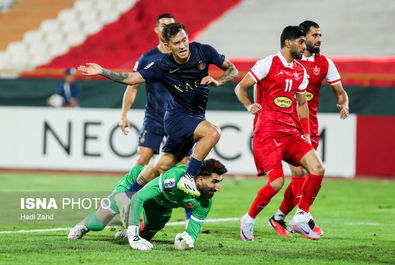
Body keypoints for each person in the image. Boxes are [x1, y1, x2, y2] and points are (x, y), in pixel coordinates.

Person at [78, 22, 238, 198]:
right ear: (168, 46)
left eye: (184, 40)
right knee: (213, 133)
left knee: (159, 166)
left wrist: (219, 81)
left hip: (195, 116)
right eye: (177, 43)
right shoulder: (162, 65)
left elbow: (232, 70)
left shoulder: (203, 51)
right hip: (177, 117)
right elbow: (132, 79)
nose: (183, 46)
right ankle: (189, 178)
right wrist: (102, 70)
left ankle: (126, 198)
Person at [235, 25, 325, 241]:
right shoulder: (267, 64)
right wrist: (249, 106)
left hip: (292, 132)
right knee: (277, 183)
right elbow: (240, 87)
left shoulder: (300, 70)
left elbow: (302, 104)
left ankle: (301, 216)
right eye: (301, 42)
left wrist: (305, 132)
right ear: (288, 43)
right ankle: (248, 218)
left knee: (317, 168)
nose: (305, 46)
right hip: (268, 132)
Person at [268, 20, 349, 238]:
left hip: (310, 125)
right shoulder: (285, 61)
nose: (319, 39)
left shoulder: (325, 63)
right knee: (301, 171)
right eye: (314, 36)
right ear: (302, 39)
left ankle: (280, 217)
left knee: (307, 173)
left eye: (320, 35)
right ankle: (303, 217)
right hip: (287, 125)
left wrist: (345, 102)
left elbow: (340, 91)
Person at [68, 159, 227, 251]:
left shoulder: (206, 200)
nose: (218, 188)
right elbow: (138, 197)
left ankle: (129, 231)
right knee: (98, 223)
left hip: (161, 203)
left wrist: (187, 240)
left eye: (220, 182)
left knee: (148, 236)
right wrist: (133, 235)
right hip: (137, 185)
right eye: (214, 182)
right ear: (199, 179)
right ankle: (82, 225)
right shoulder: (176, 177)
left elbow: (192, 232)